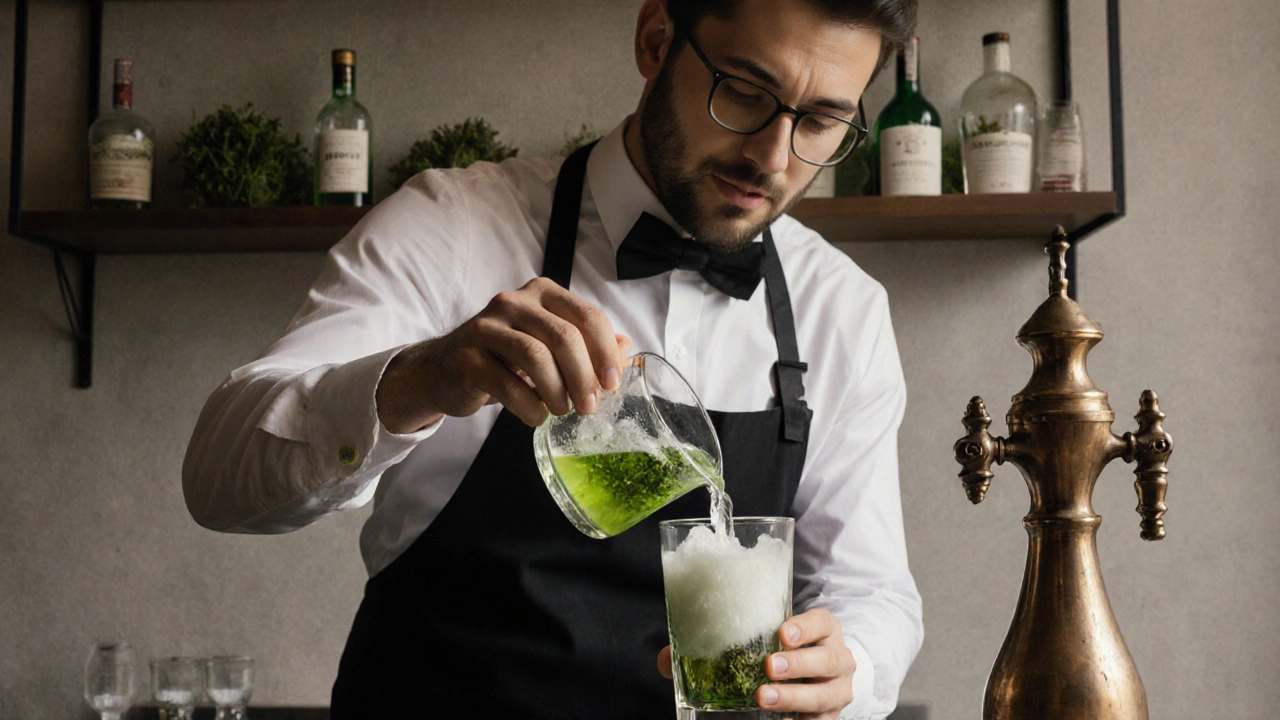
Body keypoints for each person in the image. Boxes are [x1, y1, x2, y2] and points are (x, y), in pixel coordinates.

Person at [183, 0, 923, 717]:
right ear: (656, 38)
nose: (772, 154)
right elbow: (217, 478)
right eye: (746, 91)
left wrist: (842, 669)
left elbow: (872, 594)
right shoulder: (453, 228)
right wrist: (424, 379)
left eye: (822, 121)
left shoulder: (842, 310)